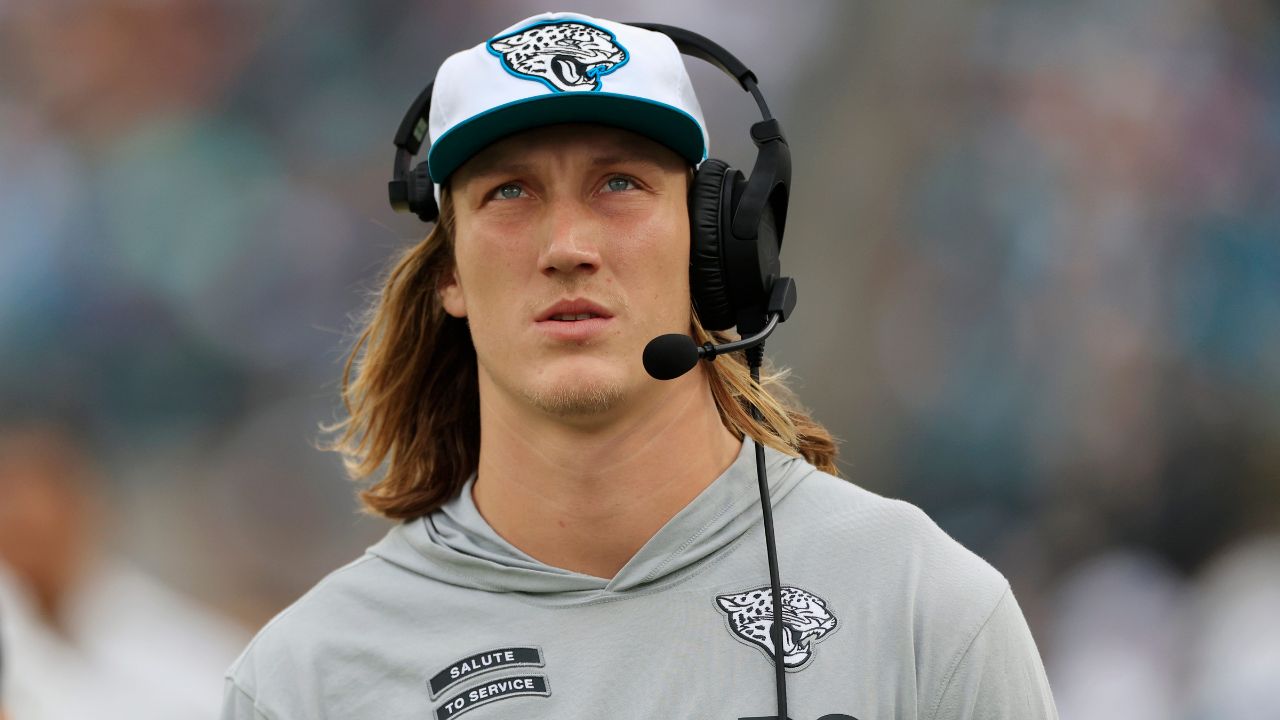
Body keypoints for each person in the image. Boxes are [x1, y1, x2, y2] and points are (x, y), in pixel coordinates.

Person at [222, 12, 1057, 720]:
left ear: (712, 243)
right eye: (509, 193)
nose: (568, 248)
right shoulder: (304, 682)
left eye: (618, 184)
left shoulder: (925, 612)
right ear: (449, 274)